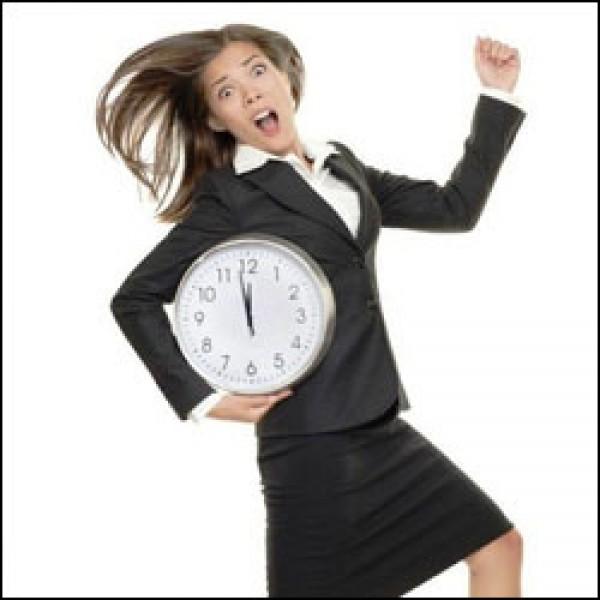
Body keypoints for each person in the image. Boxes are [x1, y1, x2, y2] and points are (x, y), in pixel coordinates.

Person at [98, 24, 526, 597]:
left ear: (285, 78)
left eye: (257, 71)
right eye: (226, 92)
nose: (250, 92)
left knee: (499, 545)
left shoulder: (341, 165)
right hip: (310, 444)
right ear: (216, 121)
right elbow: (135, 299)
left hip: (378, 421)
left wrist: (495, 95)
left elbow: (455, 209)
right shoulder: (232, 196)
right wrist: (203, 398)